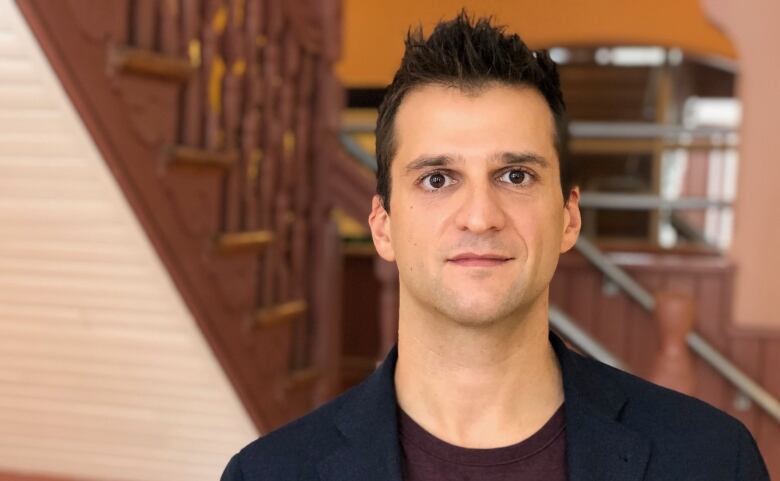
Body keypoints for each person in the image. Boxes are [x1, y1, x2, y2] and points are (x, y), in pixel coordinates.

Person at [220, 12, 769, 481]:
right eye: (437, 178)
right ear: (382, 225)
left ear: (568, 216)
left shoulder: (712, 461)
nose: (480, 217)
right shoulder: (268, 473)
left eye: (515, 176)